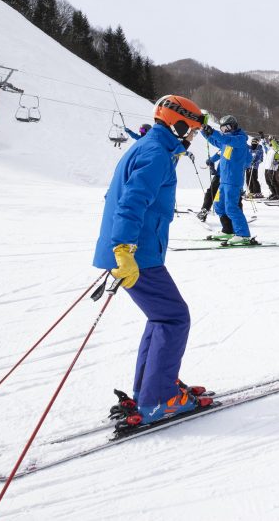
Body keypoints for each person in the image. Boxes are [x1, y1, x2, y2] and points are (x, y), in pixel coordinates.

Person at [94, 94, 212, 426]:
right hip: (136, 254)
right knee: (174, 317)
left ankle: (153, 389)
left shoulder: (151, 148)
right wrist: (123, 249)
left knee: (162, 317)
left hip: (134, 251)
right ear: (177, 124)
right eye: (190, 130)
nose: (191, 137)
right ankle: (159, 398)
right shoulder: (156, 154)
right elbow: (131, 202)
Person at [201, 115, 253, 245]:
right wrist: (204, 130)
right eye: (222, 128)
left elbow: (225, 138)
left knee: (231, 207)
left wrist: (214, 132)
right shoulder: (227, 141)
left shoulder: (240, 140)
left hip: (233, 180)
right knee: (219, 205)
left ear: (233, 126)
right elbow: (215, 141)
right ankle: (227, 230)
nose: (225, 130)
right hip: (223, 180)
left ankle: (243, 234)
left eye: (227, 127)